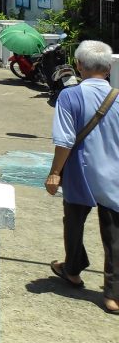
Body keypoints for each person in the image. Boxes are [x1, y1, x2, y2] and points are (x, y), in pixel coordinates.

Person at [45, 40, 119, 315]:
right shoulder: (118, 97)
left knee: (74, 223)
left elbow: (64, 140)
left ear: (78, 65)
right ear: (109, 68)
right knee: (114, 235)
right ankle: (113, 296)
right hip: (114, 176)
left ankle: (73, 270)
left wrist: (54, 173)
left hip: (80, 173)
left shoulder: (70, 96)